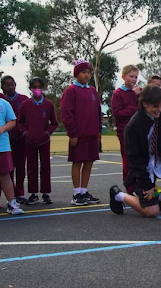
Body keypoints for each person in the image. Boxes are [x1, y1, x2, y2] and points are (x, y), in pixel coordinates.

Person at [109, 86, 161, 217]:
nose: (159, 109)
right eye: (155, 106)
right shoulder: (133, 127)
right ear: (144, 104)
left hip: (159, 160)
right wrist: (147, 186)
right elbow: (135, 160)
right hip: (142, 168)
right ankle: (118, 195)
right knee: (151, 212)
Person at [60, 59, 101, 206]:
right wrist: (72, 133)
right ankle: (76, 192)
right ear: (76, 73)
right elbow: (66, 114)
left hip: (92, 134)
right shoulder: (70, 91)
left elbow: (98, 112)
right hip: (78, 135)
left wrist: (98, 132)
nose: (87, 75)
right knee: (77, 162)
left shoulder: (92, 91)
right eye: (84, 72)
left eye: (89, 72)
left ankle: (84, 191)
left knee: (89, 162)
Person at [18, 77, 58, 205]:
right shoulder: (25, 105)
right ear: (30, 89)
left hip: (44, 141)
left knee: (45, 167)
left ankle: (46, 193)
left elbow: (54, 123)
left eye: (39, 87)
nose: (37, 90)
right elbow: (20, 122)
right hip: (30, 141)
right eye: (34, 87)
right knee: (31, 167)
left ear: (42, 88)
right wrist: (25, 133)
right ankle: (33, 193)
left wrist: (47, 133)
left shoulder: (48, 105)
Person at [111, 65, 142, 195]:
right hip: (124, 131)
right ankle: (129, 187)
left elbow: (145, 107)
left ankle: (140, 184)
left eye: (136, 77)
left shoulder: (138, 92)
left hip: (139, 130)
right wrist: (134, 110)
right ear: (123, 77)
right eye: (131, 76)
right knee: (127, 159)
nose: (134, 79)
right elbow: (118, 113)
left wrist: (138, 96)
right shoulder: (117, 94)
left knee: (140, 159)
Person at [1, 76, 28, 203]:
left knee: (20, 167)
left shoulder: (23, 99)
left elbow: (28, 118)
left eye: (12, 84)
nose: (10, 87)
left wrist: (24, 131)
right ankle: (10, 196)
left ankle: (20, 193)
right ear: (2, 87)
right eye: (6, 85)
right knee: (7, 170)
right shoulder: (2, 100)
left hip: (21, 138)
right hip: (7, 139)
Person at [0, 96, 24, 214]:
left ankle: (12, 203)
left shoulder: (4, 103)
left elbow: (12, 121)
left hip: (2, 146)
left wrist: (3, 128)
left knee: (5, 175)